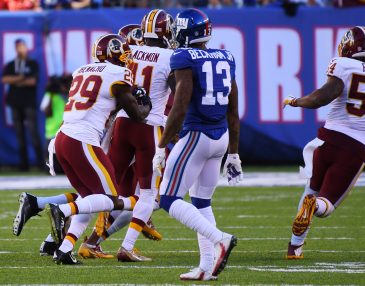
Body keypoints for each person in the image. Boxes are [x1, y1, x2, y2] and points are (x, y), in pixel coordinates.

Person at [283, 26, 365, 259]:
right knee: (326, 205)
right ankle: (313, 208)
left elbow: (321, 98)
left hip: (327, 140)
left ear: (348, 45)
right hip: (357, 147)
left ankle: (295, 247)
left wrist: (296, 102)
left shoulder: (344, 65)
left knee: (310, 190)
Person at [45, 34, 152, 265]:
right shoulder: (118, 73)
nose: (127, 58)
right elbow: (137, 115)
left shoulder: (82, 70)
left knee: (89, 198)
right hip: (81, 140)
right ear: (115, 54)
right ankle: (62, 210)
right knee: (110, 199)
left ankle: (64, 250)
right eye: (123, 53)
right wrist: (146, 104)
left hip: (64, 137)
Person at [152, 8, 243, 281]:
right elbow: (233, 111)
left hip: (196, 136)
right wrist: (234, 154)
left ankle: (220, 239)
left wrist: (161, 146)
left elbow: (179, 107)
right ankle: (206, 267)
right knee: (202, 202)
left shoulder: (184, 56)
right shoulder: (226, 57)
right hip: (221, 138)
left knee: (168, 198)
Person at [2, 39, 45, 171]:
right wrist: (21, 79)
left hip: (28, 102)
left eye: (22, 46)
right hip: (15, 102)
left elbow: (33, 81)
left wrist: (15, 81)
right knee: (19, 133)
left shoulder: (32, 63)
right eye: (18, 47)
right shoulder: (11, 64)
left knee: (33, 132)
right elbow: (4, 79)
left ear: (26, 47)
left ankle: (40, 164)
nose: (21, 49)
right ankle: (24, 165)